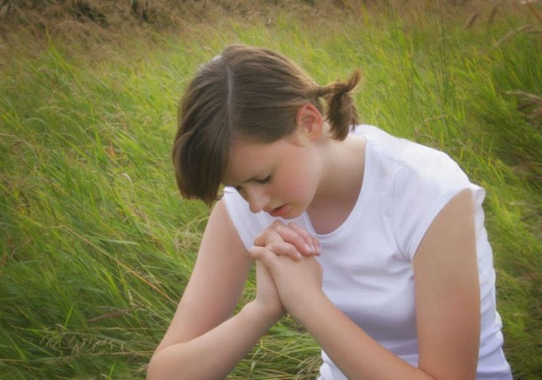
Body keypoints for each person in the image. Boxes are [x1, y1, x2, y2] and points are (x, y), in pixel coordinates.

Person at [146, 45, 512, 380]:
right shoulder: (243, 208)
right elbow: (165, 373)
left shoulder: (425, 189)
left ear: (308, 122)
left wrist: (308, 303)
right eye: (239, 187)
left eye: (262, 177)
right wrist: (262, 309)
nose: (255, 203)